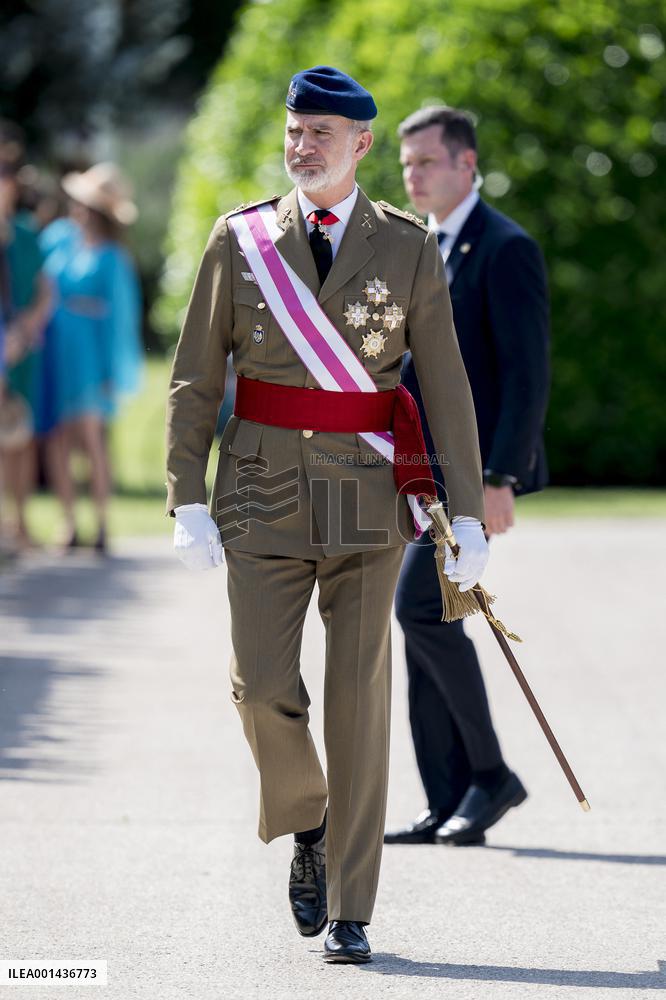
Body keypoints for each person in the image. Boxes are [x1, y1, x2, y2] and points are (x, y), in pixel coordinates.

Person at [166, 67, 489, 964]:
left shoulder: (408, 245)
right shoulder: (240, 240)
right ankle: (308, 817)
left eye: (320, 133)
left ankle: (352, 902)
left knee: (358, 700)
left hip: (364, 493)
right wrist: (185, 494)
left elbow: (448, 386)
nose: (301, 146)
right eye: (294, 130)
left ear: (362, 145)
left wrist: (466, 513)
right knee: (263, 687)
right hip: (262, 489)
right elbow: (197, 376)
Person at [384, 106, 550, 848]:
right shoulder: (420, 247)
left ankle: (491, 776)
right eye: (406, 162)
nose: (411, 174)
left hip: (473, 472)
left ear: (465, 165)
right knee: (431, 621)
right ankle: (448, 794)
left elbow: (528, 376)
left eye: (425, 161)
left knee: (419, 610)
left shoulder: (505, 248)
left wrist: (501, 475)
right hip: (422, 473)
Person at [37, 163, 143, 552]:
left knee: (90, 438)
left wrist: (111, 371)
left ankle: (100, 523)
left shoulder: (113, 256)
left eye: (85, 204)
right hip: (54, 350)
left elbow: (121, 318)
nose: (76, 209)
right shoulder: (58, 239)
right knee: (56, 438)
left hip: (90, 356)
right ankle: (68, 522)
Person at [0, 137, 51, 550]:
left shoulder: (24, 233)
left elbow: (45, 291)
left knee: (21, 435)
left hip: (22, 348)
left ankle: (19, 522)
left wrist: (24, 329)